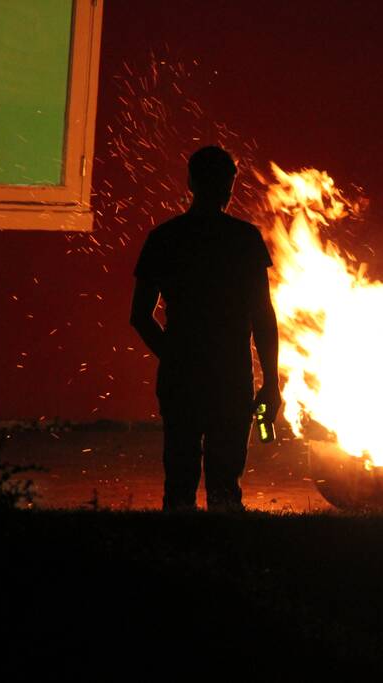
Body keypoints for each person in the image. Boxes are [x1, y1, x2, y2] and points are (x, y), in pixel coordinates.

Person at [131, 145, 281, 512]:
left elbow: (140, 315)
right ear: (228, 187)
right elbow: (263, 316)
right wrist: (271, 382)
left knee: (179, 483)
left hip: (181, 376)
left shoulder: (165, 238)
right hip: (231, 375)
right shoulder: (243, 239)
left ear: (190, 182)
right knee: (226, 487)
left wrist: (174, 355)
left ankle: (176, 558)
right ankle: (223, 555)